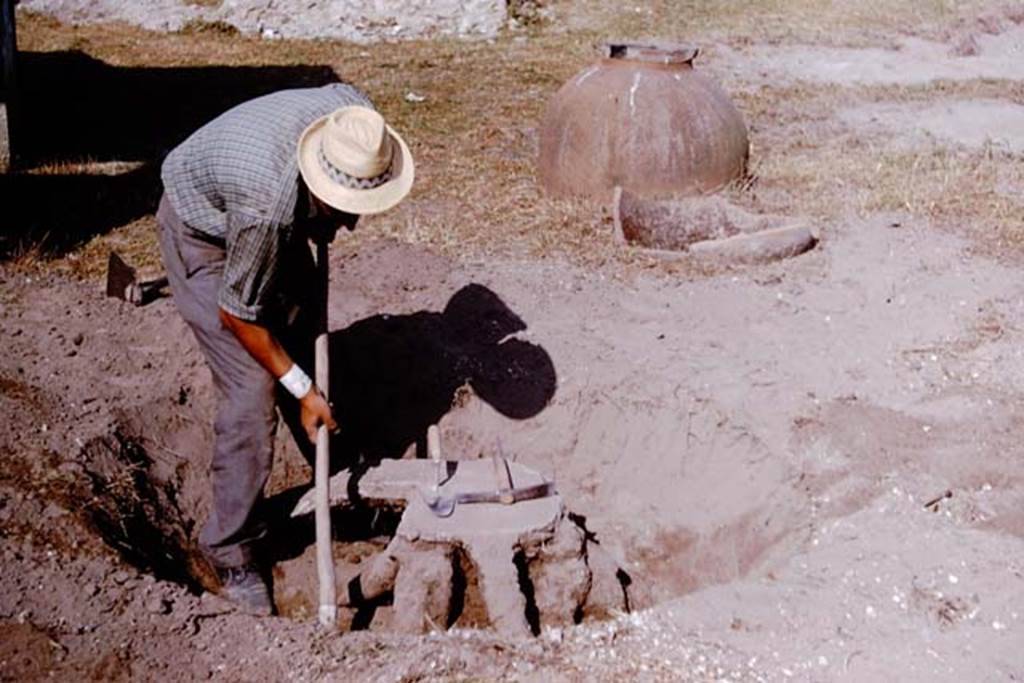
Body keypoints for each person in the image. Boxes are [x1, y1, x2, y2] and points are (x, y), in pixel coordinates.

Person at [156, 84, 415, 614]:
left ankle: (340, 480)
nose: (352, 223)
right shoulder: (267, 207)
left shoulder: (355, 123)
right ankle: (229, 549)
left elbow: (348, 94)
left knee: (296, 332)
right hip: (202, 230)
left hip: (265, 197)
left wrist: (304, 381)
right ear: (316, 185)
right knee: (253, 385)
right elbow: (239, 314)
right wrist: (298, 386)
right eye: (344, 210)